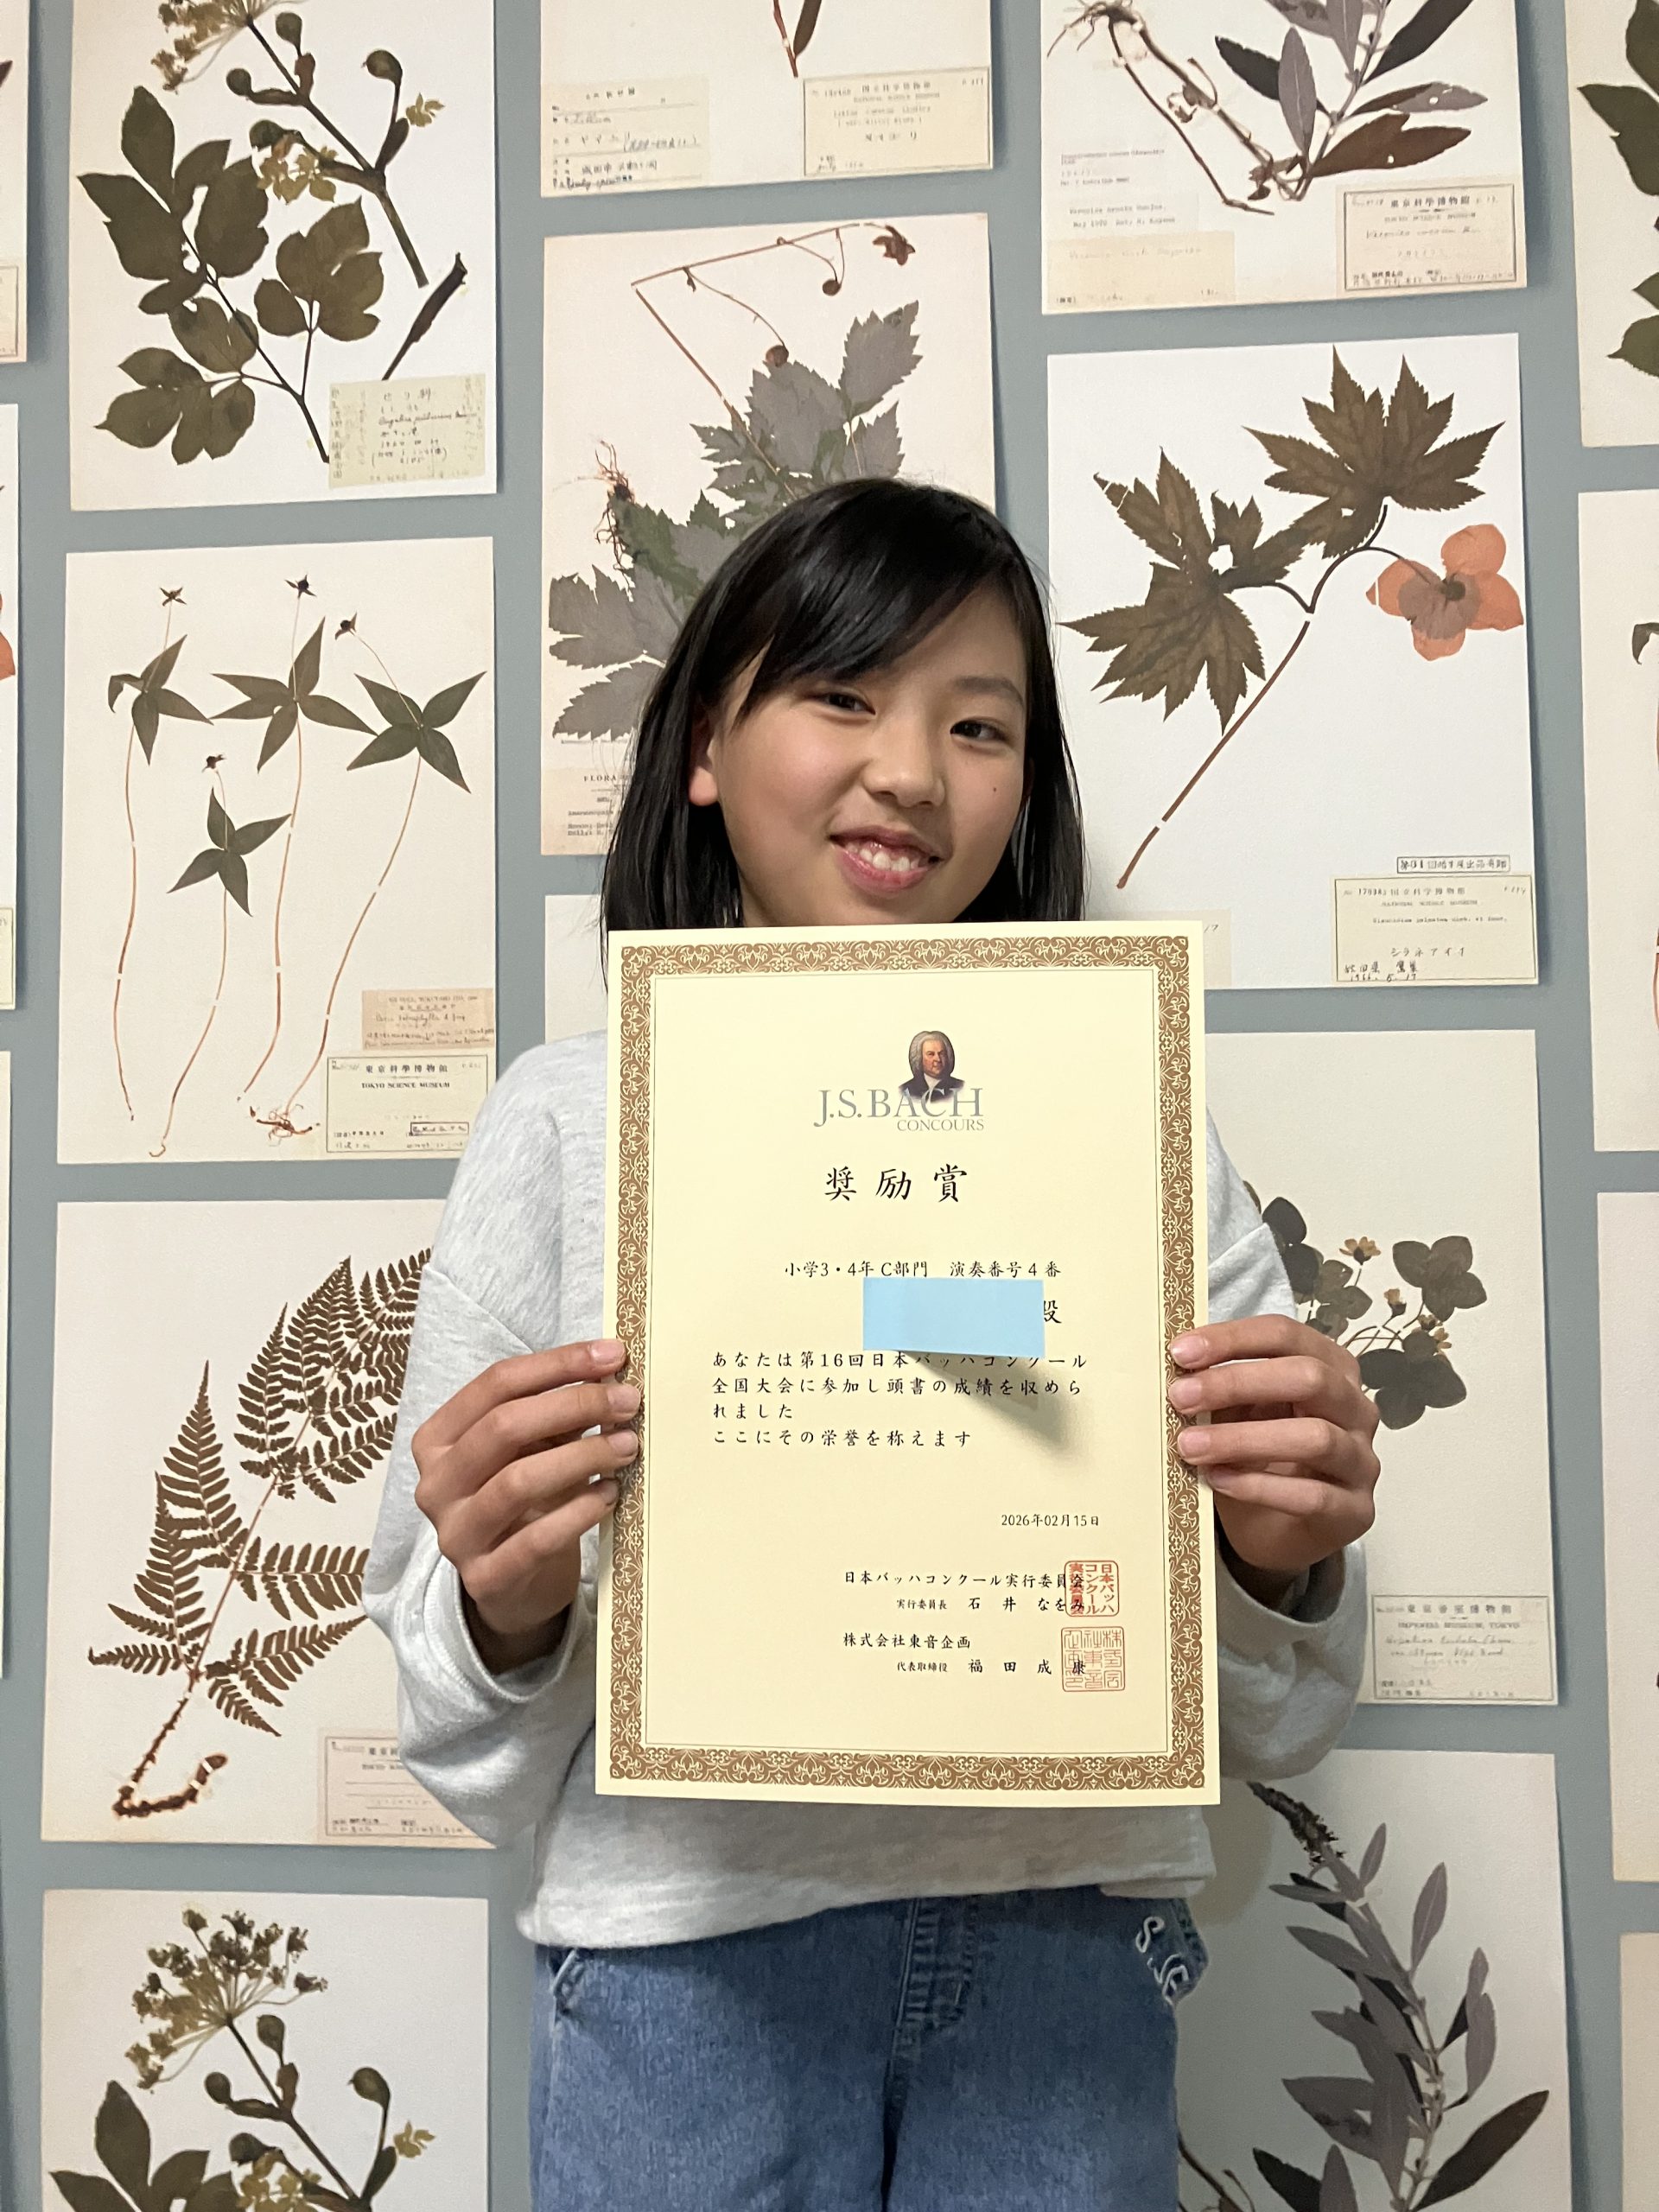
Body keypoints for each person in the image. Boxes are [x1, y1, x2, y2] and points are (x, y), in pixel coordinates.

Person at [365, 479, 1380, 2212]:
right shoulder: (564, 1123)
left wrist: (1276, 1556)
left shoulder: (1125, 1117)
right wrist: (502, 1602)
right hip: (684, 1971)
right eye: (842, 694)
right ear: (705, 745)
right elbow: (458, 1733)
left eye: (979, 725)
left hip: (1066, 1948)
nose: (910, 769)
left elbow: (1283, 1713)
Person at [901, 1029, 963, 1103]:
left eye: (941, 1054)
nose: (938, 1059)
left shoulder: (961, 1088)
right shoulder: (905, 1090)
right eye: (931, 1054)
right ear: (919, 1057)